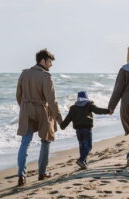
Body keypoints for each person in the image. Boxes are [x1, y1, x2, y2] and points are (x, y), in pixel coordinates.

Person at [15, 49, 62, 186]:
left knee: (25, 142)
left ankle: (21, 175)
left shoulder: (24, 73)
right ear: (42, 61)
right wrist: (59, 118)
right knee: (46, 140)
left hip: (26, 110)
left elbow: (18, 95)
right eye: (49, 62)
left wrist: (24, 107)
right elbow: (52, 101)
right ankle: (42, 172)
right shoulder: (46, 76)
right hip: (42, 110)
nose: (51, 65)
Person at [60, 91, 111, 170]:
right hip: (87, 129)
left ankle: (83, 163)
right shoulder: (89, 105)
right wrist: (108, 111)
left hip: (78, 130)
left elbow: (68, 119)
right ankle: (81, 160)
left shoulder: (73, 108)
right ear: (86, 98)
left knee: (82, 146)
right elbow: (97, 110)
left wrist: (62, 126)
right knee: (88, 146)